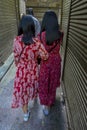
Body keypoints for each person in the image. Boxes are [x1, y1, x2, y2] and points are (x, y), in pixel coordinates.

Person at [11, 15, 48, 121]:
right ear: (32, 26)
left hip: (21, 72)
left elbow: (16, 57)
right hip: (33, 72)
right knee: (31, 89)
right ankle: (34, 100)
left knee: (23, 93)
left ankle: (26, 114)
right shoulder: (36, 42)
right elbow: (45, 56)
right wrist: (36, 57)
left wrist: (19, 65)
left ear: (21, 26)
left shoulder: (16, 41)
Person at [38, 11, 64, 115]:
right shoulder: (60, 34)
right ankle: (50, 102)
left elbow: (39, 52)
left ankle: (46, 107)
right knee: (52, 83)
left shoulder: (41, 36)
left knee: (45, 84)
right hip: (56, 62)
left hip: (45, 62)